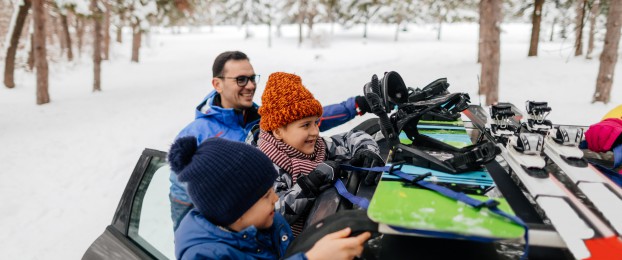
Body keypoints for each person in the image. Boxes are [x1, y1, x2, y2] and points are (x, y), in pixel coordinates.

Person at [169, 51, 373, 230]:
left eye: (252, 78)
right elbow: (184, 200)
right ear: (217, 83)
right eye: (241, 79)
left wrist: (354, 105)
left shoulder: (262, 116)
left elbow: (307, 123)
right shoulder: (197, 135)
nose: (250, 86)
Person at [169, 136, 371, 260]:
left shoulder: (266, 220)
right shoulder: (203, 255)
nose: (276, 198)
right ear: (237, 208)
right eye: (266, 195)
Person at [256, 72, 384, 235]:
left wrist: (366, 150)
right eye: (306, 125)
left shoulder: (319, 146)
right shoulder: (265, 167)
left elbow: (352, 136)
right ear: (278, 131)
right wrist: (309, 184)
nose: (316, 131)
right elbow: (272, 215)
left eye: (316, 122)